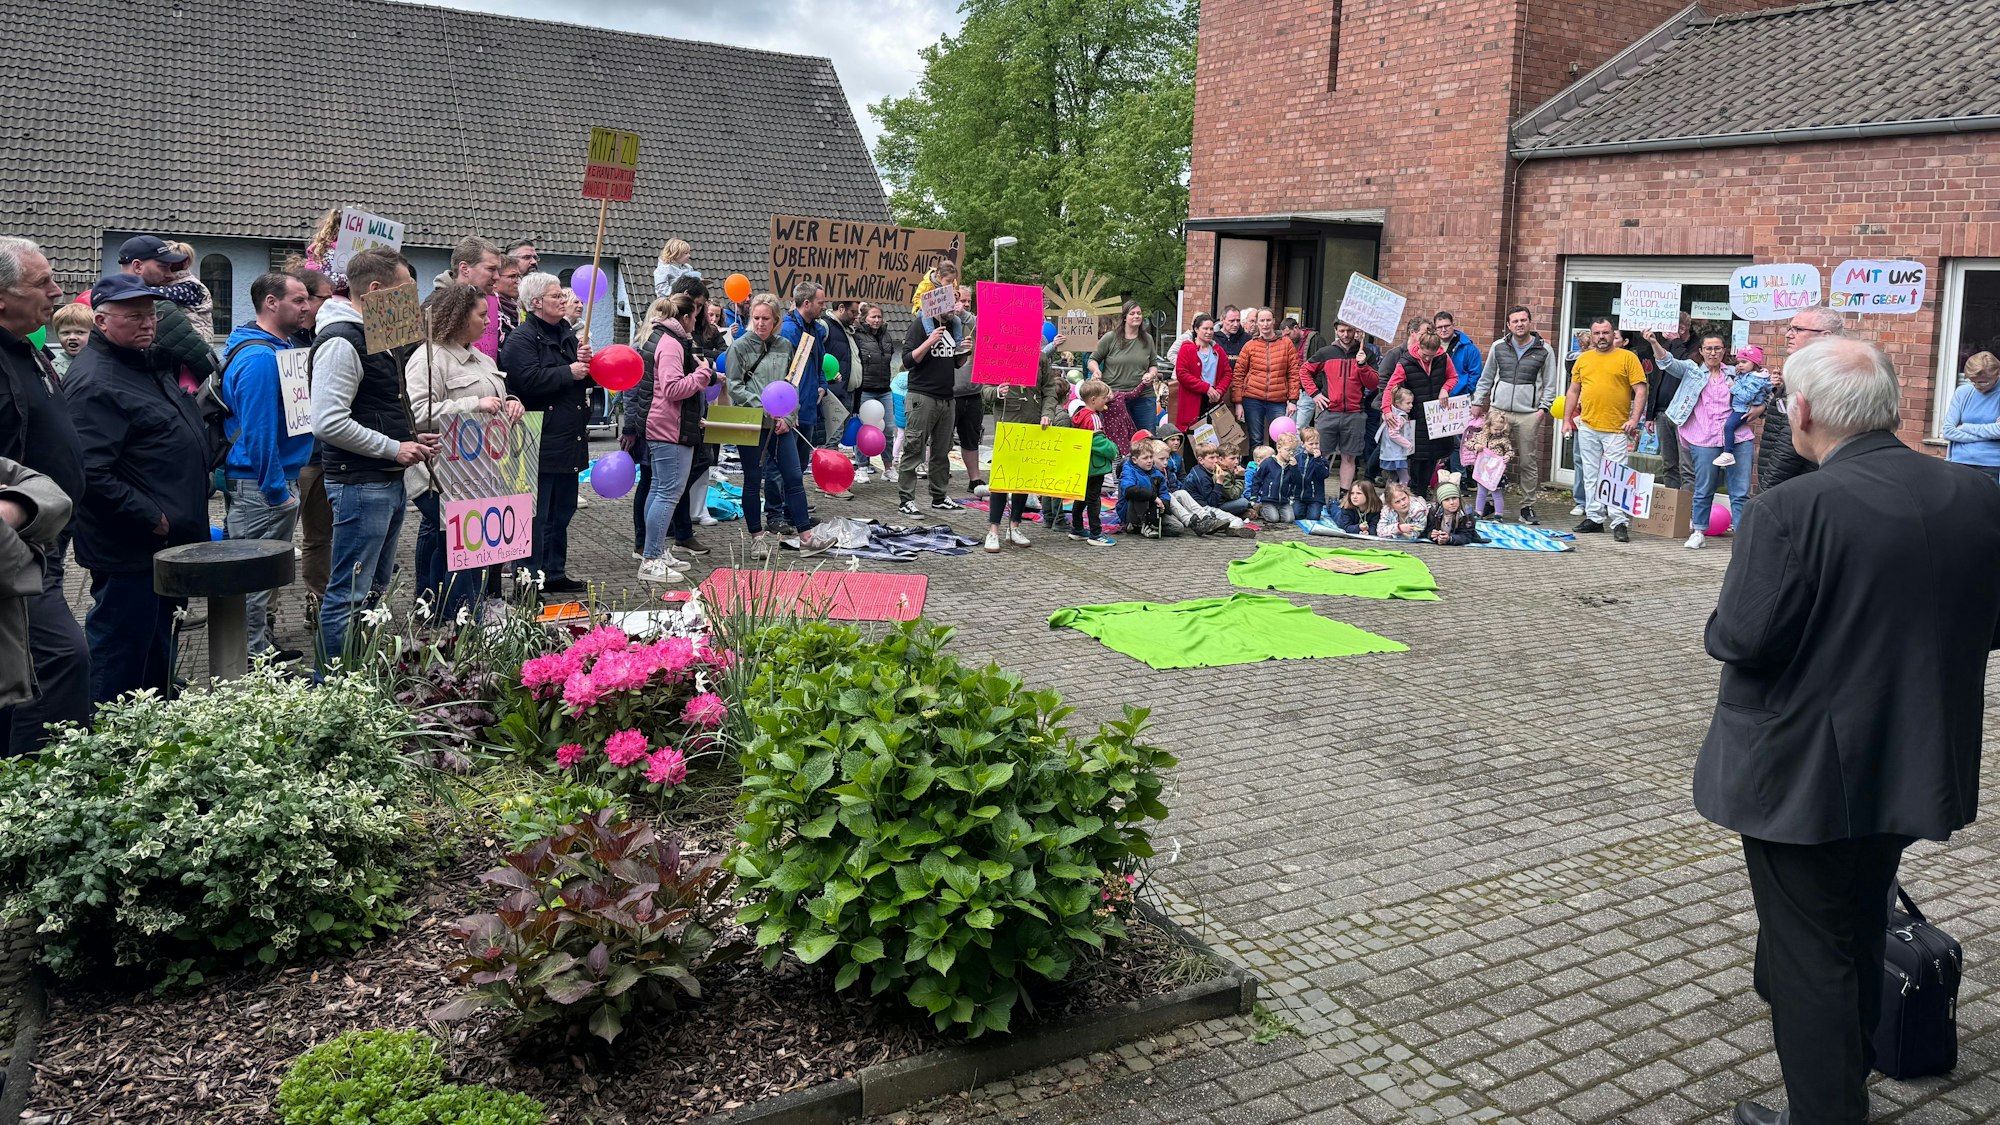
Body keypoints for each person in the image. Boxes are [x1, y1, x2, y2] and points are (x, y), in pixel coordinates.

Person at [1695, 337, 2000, 1125]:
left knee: (1809, 958)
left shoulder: (1790, 510)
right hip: (1912, 758)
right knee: (1859, 923)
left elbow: (1739, 637)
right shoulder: (1975, 493)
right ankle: (1842, 1081)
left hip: (1800, 775)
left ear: (1798, 413)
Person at [68, 274, 212, 703]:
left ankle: (152, 727)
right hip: (132, 547)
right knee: (119, 649)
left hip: (162, 544)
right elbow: (91, 473)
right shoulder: (97, 381)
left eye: (150, 313)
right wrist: (154, 520)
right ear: (101, 321)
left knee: (155, 643)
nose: (147, 322)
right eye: (134, 316)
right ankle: (98, 740)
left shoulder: (144, 363)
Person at [311, 249, 436, 666]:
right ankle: (332, 684)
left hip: (382, 478)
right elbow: (328, 422)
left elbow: (375, 408)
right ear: (377, 291)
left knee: (374, 587)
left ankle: (358, 673)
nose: (411, 301)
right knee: (349, 592)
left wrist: (411, 436)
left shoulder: (375, 338)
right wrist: (394, 447)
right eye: (406, 290)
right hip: (361, 482)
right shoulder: (342, 342)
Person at [0, 237, 89, 752]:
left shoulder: (26, 347)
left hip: (48, 536)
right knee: (59, 659)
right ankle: (40, 787)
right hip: (18, 547)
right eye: (42, 284)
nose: (57, 292)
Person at [405, 282, 519, 617]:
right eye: (482, 315)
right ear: (458, 316)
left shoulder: (482, 358)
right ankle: (452, 613)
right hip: (440, 476)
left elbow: (497, 397)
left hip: (479, 475)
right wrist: (474, 404)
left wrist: (512, 404)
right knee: (454, 549)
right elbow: (416, 413)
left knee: (472, 550)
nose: (488, 322)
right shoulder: (429, 358)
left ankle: (466, 610)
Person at [219, 272, 316, 661]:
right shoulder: (260, 358)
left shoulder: (280, 348)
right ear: (271, 303)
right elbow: (259, 431)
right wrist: (278, 492)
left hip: (271, 482)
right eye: (298, 299)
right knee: (251, 581)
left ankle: (258, 651)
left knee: (260, 580)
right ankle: (249, 663)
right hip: (261, 487)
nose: (306, 306)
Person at [500, 271, 591, 594]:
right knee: (536, 518)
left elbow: (581, 378)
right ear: (536, 303)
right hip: (540, 440)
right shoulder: (521, 339)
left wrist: (587, 367)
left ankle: (554, 571)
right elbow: (526, 381)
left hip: (568, 439)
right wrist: (569, 371)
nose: (563, 300)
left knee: (561, 511)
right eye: (556, 296)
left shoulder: (566, 333)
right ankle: (528, 581)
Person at [725, 293, 822, 560]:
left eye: (765, 318)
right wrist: (763, 406)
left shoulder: (784, 346)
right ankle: (757, 538)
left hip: (782, 425)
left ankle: (806, 537)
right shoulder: (739, 347)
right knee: (753, 480)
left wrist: (788, 417)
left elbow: (791, 386)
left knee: (793, 477)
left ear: (776, 320)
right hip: (751, 422)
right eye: (755, 318)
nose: (760, 323)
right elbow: (734, 387)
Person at [625, 294, 713, 583]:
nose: (696, 323)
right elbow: (673, 389)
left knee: (660, 489)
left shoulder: (658, 337)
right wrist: (702, 374)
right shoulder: (671, 344)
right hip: (669, 429)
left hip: (662, 425)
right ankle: (651, 558)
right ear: (686, 318)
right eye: (695, 316)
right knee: (667, 493)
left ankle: (656, 551)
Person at [1649, 330, 1754, 550]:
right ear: (1701, 351)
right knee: (1703, 487)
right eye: (1709, 348)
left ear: (1724, 351)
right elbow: (1667, 363)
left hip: (1738, 438)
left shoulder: (1737, 373)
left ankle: (1743, 537)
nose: (1713, 353)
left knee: (1740, 489)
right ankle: (1698, 531)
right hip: (1704, 437)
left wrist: (1761, 407)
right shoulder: (1692, 371)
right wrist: (1653, 341)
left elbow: (1760, 392)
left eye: (1717, 348)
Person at [1560, 317, 1646, 542]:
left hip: (1617, 428)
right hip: (1588, 425)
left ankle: (1619, 521)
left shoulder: (1628, 358)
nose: (1601, 337)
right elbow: (1573, 391)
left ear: (1612, 334)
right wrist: (1567, 419)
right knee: (1590, 474)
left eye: (1606, 333)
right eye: (1597, 333)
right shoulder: (1584, 359)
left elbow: (1640, 390)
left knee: (1616, 475)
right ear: (1591, 335)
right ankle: (1595, 517)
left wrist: (1634, 419)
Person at [983, 333, 1069, 553]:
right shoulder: (997, 356)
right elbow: (985, 390)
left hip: (1032, 426)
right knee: (1002, 479)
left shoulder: (1040, 358)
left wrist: (1047, 413)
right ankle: (993, 531)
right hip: (1007, 424)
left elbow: (1049, 390)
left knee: (1023, 479)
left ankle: (1015, 527)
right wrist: (997, 392)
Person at [1471, 305, 1557, 524]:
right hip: (1498, 412)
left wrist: (1543, 410)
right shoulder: (1498, 347)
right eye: (1515, 321)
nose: (1520, 324)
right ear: (1508, 325)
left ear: (1530, 322)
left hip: (1528, 414)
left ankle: (1527, 506)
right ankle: (1490, 501)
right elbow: (1487, 376)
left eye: (1523, 320)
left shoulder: (1544, 350)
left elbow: (1550, 383)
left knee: (1527, 461)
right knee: (1490, 459)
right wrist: (1478, 402)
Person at [896, 285, 971, 516]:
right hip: (922, 395)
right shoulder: (920, 325)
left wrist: (965, 351)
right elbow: (908, 360)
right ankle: (906, 499)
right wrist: (929, 342)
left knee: (941, 450)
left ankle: (939, 496)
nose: (954, 309)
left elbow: (955, 363)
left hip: (947, 397)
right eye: (951, 304)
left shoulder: (953, 326)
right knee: (914, 448)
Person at [1760, 307, 1848, 491]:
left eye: (1797, 329)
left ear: (1825, 336)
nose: (1788, 335)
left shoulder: (1816, 374)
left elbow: (1788, 443)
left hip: (1794, 486)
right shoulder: (1810, 369)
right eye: (1789, 328)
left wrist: (1766, 491)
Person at [115, 236, 216, 392]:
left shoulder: (189, 287)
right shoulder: (161, 301)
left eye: (172, 267)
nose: (169, 274)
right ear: (138, 266)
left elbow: (198, 356)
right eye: (163, 267)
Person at [1300, 321, 1380, 494]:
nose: (1345, 334)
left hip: (1355, 413)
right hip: (1329, 412)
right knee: (1320, 455)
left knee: (1349, 457)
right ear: (1335, 330)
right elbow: (1304, 371)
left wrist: (1363, 365)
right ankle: (1315, 495)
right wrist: (1315, 394)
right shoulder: (1326, 353)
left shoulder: (1366, 354)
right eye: (1342, 331)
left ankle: (1344, 496)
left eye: (1349, 331)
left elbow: (1373, 383)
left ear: (1356, 331)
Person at [1383, 326, 1461, 498]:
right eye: (1424, 354)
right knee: (1416, 457)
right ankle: (1414, 491)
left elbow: (1453, 377)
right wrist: (1387, 410)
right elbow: (1391, 387)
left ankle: (1423, 491)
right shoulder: (1405, 362)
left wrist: (1445, 389)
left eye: (1431, 356)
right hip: (1415, 415)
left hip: (1436, 416)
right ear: (1418, 347)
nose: (1427, 358)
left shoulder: (1443, 358)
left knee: (1433, 457)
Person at [1231, 309, 1300, 450]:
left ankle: (1277, 471)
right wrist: (1238, 402)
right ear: (1257, 323)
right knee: (1256, 440)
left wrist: (1293, 401)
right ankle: (1256, 471)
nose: (1265, 324)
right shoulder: (1250, 346)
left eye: (1268, 320)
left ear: (1274, 321)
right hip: (1253, 399)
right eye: (1262, 320)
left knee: (1280, 440)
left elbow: (1293, 373)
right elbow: (1238, 375)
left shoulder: (1286, 344)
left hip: (1278, 400)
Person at [1089, 301, 1162, 431]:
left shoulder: (1148, 339)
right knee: (1116, 436)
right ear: (1124, 317)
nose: (1136, 316)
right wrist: (1096, 371)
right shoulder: (1110, 338)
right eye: (1132, 313)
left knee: (1146, 437)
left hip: (1143, 396)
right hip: (1115, 396)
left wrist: (1151, 374)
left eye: (1139, 313)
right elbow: (1093, 359)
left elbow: (1153, 365)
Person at [1063, 380, 1118, 546]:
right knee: (1094, 499)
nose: (1106, 401)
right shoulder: (1093, 418)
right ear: (1093, 400)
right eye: (1103, 398)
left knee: (1082, 497)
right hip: (1095, 467)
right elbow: (1097, 442)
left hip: (1083, 464)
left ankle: (1077, 528)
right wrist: (1113, 449)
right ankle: (1096, 533)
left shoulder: (1079, 415)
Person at [852, 303, 896, 476]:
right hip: (866, 390)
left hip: (884, 388)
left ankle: (889, 467)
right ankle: (862, 466)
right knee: (865, 429)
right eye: (873, 317)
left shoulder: (887, 336)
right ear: (864, 318)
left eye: (879, 317)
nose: (877, 320)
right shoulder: (858, 335)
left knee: (888, 429)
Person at [1943, 351, 2000, 484]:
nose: (1978, 387)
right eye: (1973, 382)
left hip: (1992, 464)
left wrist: (1966, 427)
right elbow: (1948, 431)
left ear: (1997, 373)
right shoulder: (1963, 392)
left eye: (1983, 382)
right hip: (1959, 462)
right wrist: (1990, 433)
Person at [1713, 345, 1771, 469]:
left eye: (1744, 362)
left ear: (1754, 363)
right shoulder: (1748, 375)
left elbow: (1747, 396)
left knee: (1729, 426)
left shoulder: (1756, 379)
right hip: (1741, 407)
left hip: (1744, 409)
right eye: (1738, 362)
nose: (1739, 365)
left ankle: (1728, 453)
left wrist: (1733, 386)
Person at [1171, 313, 1229, 432]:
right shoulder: (1187, 348)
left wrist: (1220, 390)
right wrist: (1206, 388)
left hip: (1213, 400)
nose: (1209, 332)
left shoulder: (1218, 350)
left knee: (1212, 440)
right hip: (1192, 400)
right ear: (1196, 329)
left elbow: (1227, 373)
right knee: (1192, 438)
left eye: (1211, 329)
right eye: (1205, 328)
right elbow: (1182, 374)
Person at [1117, 436, 1170, 539]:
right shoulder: (1128, 470)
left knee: (1177, 528)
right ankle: (1137, 524)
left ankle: (1149, 525)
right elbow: (1128, 490)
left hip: (1153, 508)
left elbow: (1164, 492)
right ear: (1135, 460)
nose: (1149, 461)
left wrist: (1164, 504)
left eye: (1151, 457)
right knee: (1139, 492)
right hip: (1131, 509)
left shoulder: (1157, 473)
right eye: (1145, 458)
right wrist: (1153, 497)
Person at [1249, 430, 1303, 523]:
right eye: (1288, 450)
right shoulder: (1269, 462)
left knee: (1289, 519)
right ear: (1279, 448)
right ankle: (1261, 509)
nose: (1291, 454)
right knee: (1273, 519)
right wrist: (1254, 495)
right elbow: (1257, 479)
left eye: (1294, 451)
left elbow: (1297, 481)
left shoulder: (1291, 465)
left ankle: (1276, 511)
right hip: (1268, 499)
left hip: (1284, 500)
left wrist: (1294, 468)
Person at [1420, 477, 1480, 545]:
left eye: (1454, 498)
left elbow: (1467, 536)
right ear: (1440, 502)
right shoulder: (1433, 511)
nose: (1451, 502)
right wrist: (1432, 535)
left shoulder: (1466, 513)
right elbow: (1426, 530)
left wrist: (1450, 539)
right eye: (1446, 499)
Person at [1378, 384, 1415, 485]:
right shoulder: (1399, 418)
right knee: (1404, 477)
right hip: (1396, 453)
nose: (1411, 405)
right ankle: (1401, 495)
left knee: (1392, 478)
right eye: (1408, 403)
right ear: (1398, 403)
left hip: (1391, 452)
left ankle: (1390, 496)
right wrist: (1408, 444)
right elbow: (1393, 434)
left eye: (1411, 403)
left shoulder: (1392, 415)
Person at [49, 302, 91, 377]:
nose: (72, 337)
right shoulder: (55, 368)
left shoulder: (101, 361)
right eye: (65, 332)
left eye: (80, 332)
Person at [1297, 427, 1330, 519]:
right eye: (1311, 444)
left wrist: (1318, 461)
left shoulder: (1322, 460)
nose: (1314, 446)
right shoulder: (1298, 458)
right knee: (1297, 515)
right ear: (1303, 444)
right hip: (1300, 496)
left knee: (1313, 517)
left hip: (1315, 497)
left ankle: (1329, 505)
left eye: (1317, 443)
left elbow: (1324, 474)